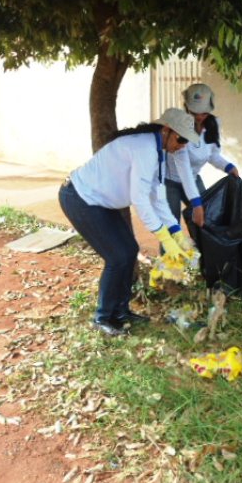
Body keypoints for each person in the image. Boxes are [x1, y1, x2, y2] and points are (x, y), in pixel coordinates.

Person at [58, 108, 200, 336]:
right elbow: (140, 199)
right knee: (118, 256)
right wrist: (163, 237)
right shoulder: (145, 149)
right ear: (166, 131)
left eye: (187, 142)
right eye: (181, 139)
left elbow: (157, 194)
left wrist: (176, 233)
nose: (182, 145)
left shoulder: (157, 149)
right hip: (80, 198)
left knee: (129, 250)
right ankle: (103, 318)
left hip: (100, 202)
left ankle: (121, 311)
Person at [165, 83, 239, 228]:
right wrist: (196, 203)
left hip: (193, 178)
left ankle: (203, 251)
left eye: (203, 112)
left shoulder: (214, 124)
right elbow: (183, 168)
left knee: (207, 220)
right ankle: (170, 251)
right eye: (194, 112)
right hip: (169, 181)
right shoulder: (179, 126)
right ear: (187, 107)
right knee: (172, 228)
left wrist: (228, 167)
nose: (199, 117)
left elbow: (213, 155)